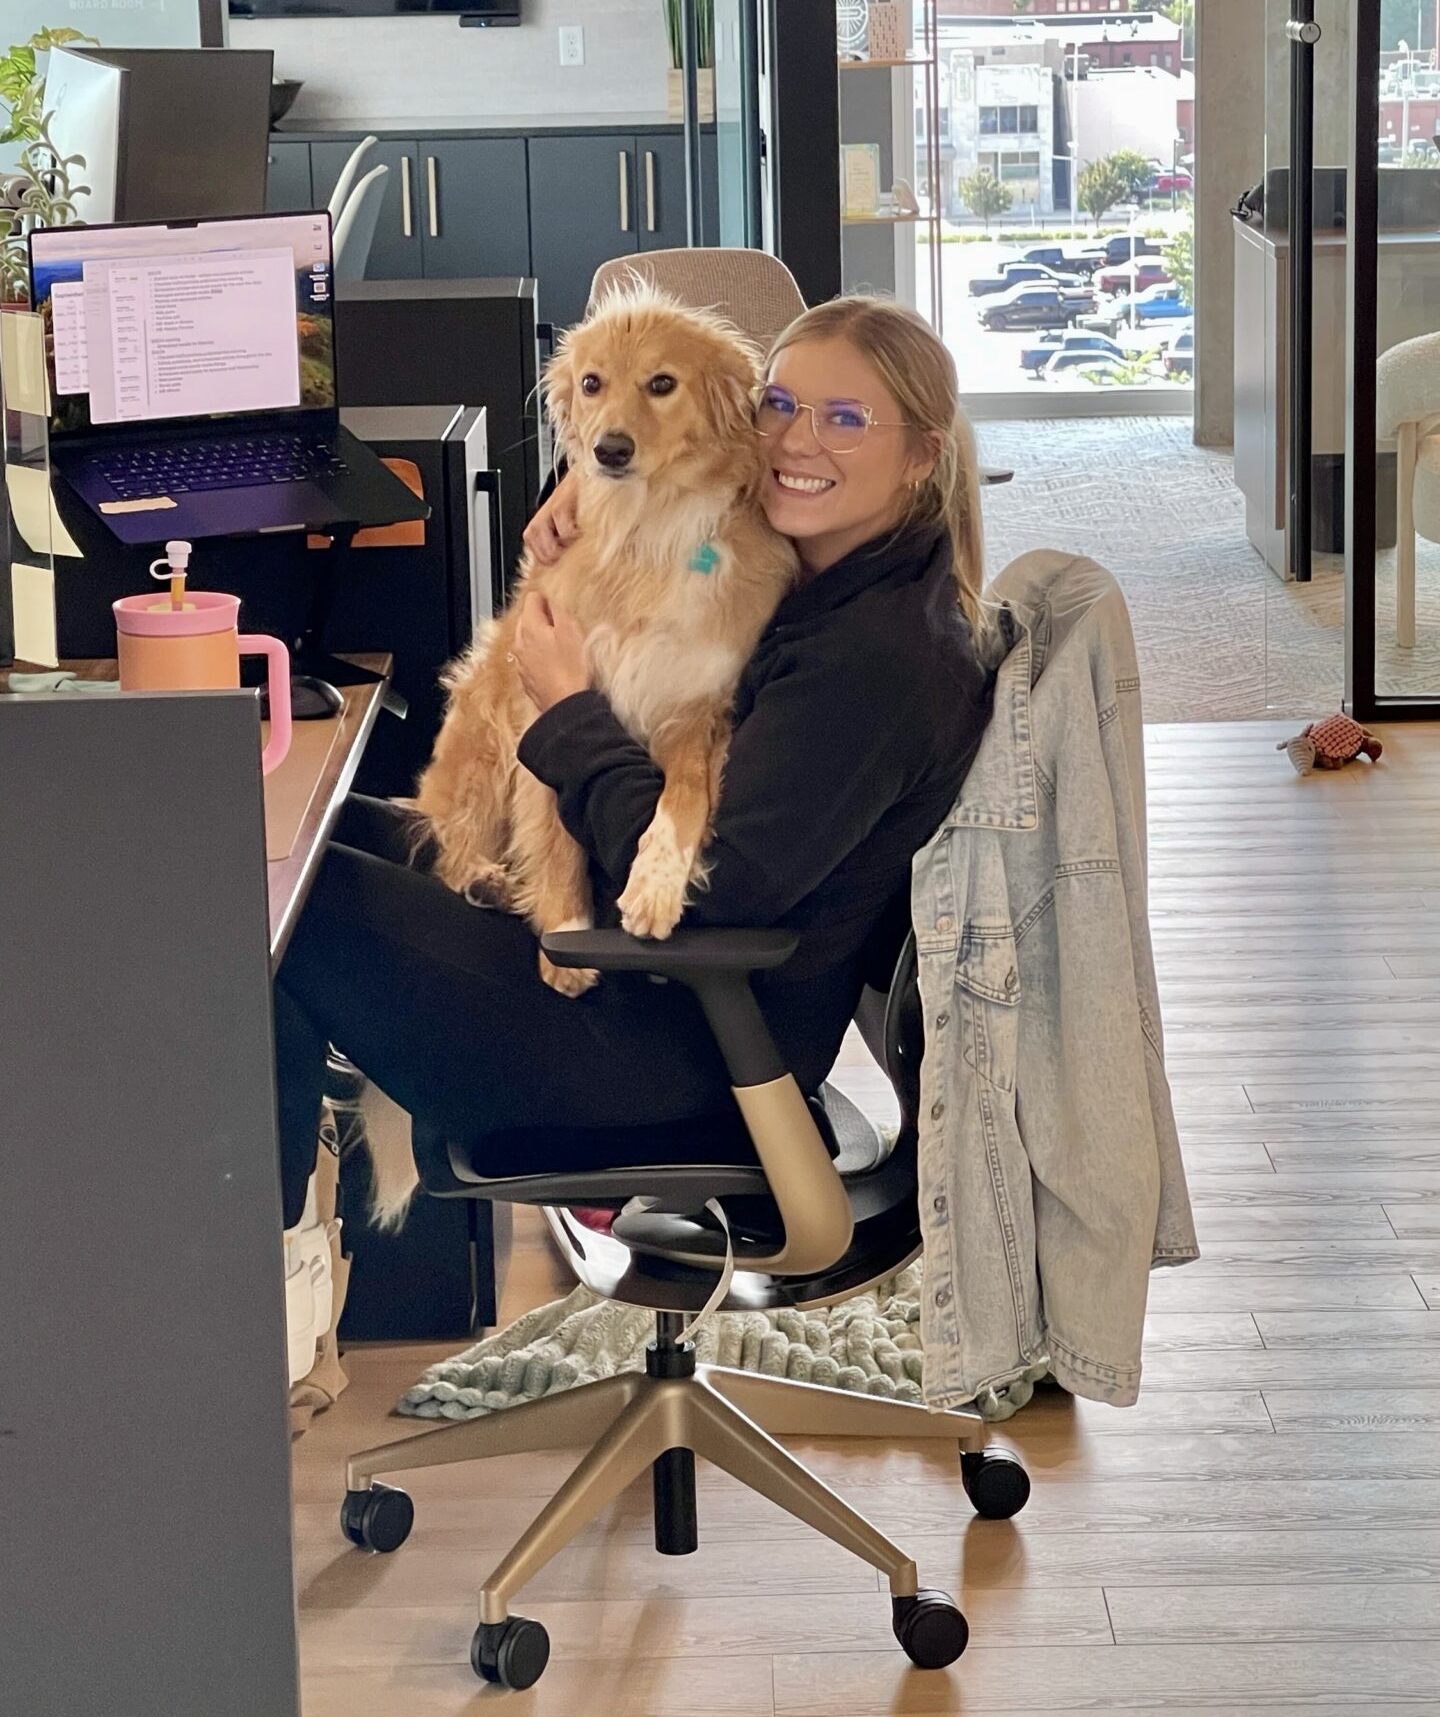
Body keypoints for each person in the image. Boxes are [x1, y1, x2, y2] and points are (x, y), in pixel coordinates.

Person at [273, 296, 994, 1229]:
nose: (794, 440)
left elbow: (720, 888)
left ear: (923, 455)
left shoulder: (875, 662)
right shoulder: (836, 574)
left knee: (270, 902)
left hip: (675, 1047)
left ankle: (250, 1263)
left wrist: (570, 710)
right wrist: (593, 475)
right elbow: (686, 457)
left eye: (846, 420)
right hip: (656, 988)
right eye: (782, 405)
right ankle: (282, 1247)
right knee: (292, 843)